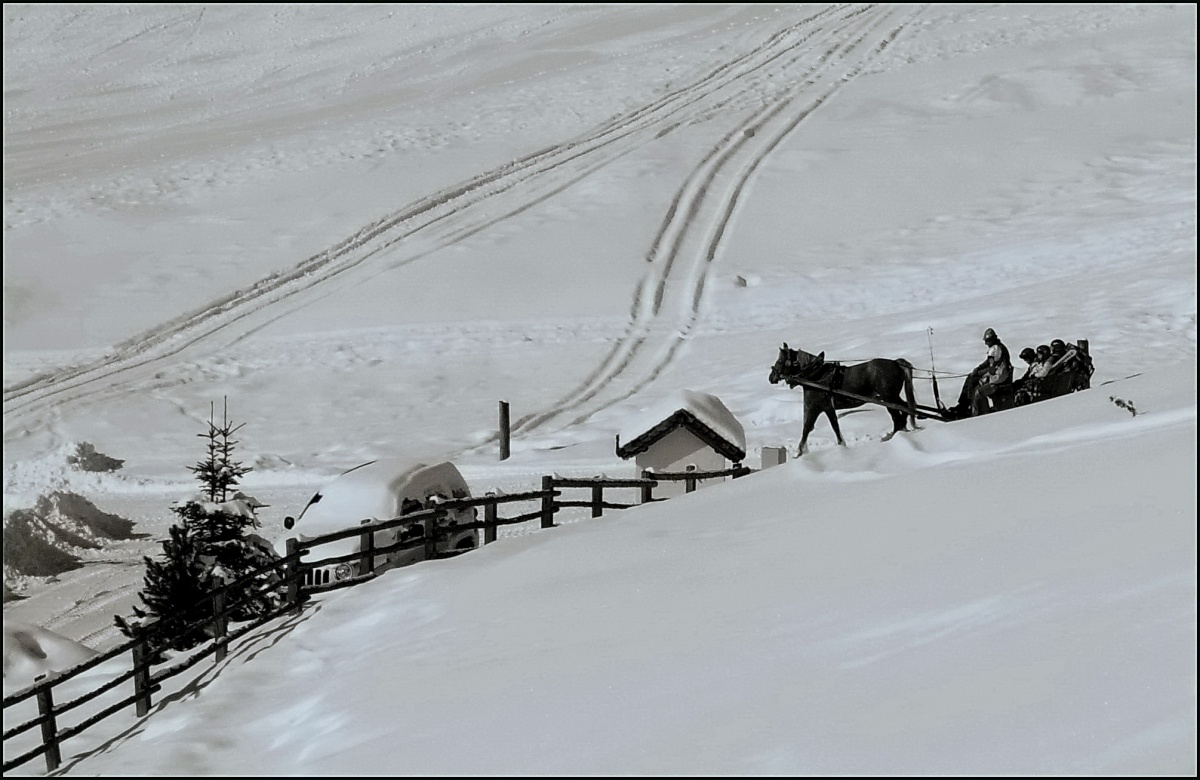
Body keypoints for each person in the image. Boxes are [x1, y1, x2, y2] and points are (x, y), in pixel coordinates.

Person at [954, 327, 1013, 416]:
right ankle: (965, 406)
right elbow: (988, 362)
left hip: (998, 378)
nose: (986, 343)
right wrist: (978, 369)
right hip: (997, 376)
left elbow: (992, 368)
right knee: (971, 379)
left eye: (987, 341)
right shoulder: (997, 347)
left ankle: (976, 411)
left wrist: (979, 373)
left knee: (975, 386)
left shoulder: (996, 349)